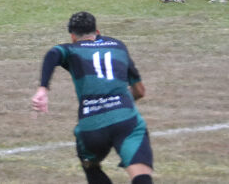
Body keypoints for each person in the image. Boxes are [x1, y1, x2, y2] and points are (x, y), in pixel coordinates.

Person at [31, 11, 153, 184]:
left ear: (72, 36)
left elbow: (53, 54)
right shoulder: (118, 46)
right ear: (97, 31)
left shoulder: (71, 49)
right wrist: (117, 102)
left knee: (91, 166)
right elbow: (140, 91)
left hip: (92, 126)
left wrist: (43, 89)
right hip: (125, 121)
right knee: (141, 174)